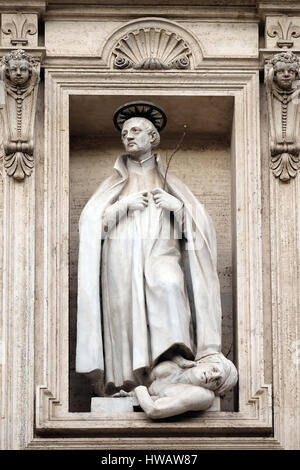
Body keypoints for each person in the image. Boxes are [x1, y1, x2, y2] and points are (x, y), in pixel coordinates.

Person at [76, 102, 228, 399]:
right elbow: (93, 224)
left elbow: (200, 232)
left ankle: (171, 362)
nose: (128, 137)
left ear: (153, 138)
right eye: (124, 133)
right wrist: (122, 207)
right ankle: (127, 382)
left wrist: (179, 209)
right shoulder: (114, 184)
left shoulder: (169, 181)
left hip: (162, 253)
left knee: (169, 284)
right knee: (124, 310)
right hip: (119, 256)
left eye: (135, 131)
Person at [135, 353, 238, 419]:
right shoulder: (176, 364)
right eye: (214, 370)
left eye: (217, 382)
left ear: (214, 389)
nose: (213, 376)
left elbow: (154, 410)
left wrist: (139, 389)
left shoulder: (204, 395)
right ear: (202, 362)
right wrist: (176, 357)